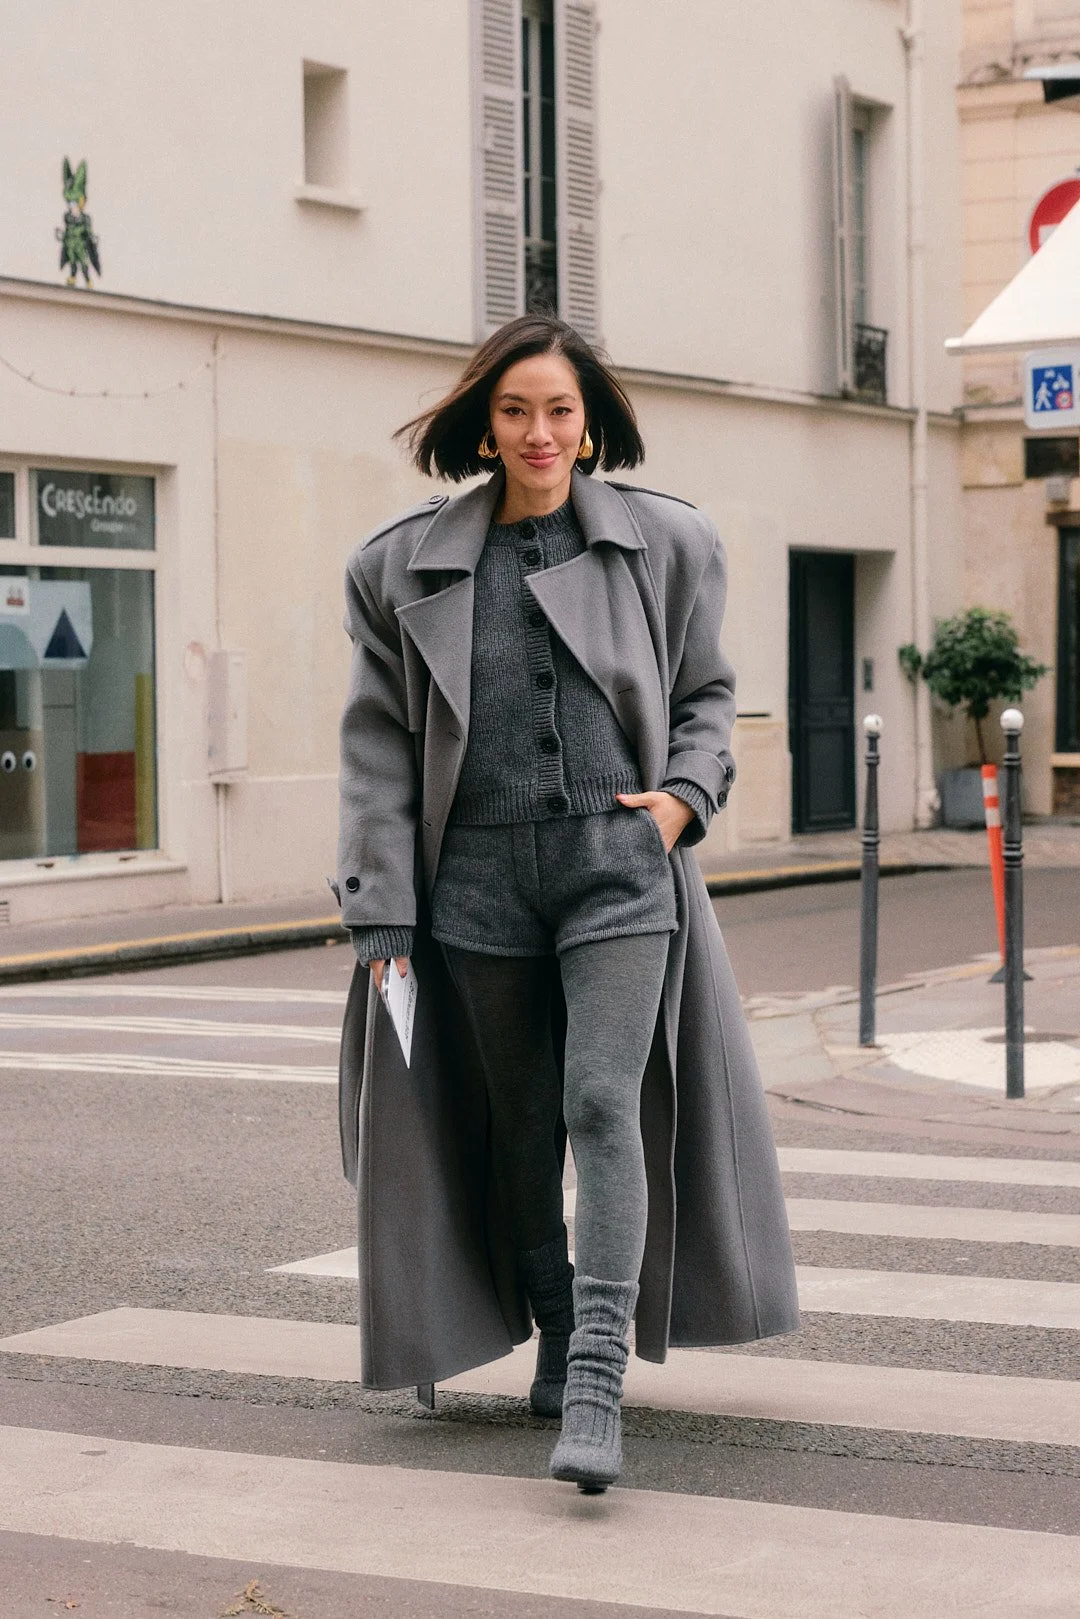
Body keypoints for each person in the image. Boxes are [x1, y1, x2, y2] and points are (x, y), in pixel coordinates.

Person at [336, 313, 798, 1494]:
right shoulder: (399, 565)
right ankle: (553, 1321)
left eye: (558, 409)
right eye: (515, 410)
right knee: (520, 1120)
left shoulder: (667, 541)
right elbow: (377, 744)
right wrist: (383, 906)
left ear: (590, 422)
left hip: (617, 865)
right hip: (475, 880)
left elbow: (707, 693)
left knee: (601, 1098)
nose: (539, 431)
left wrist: (684, 799)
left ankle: (596, 1375)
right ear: (484, 425)